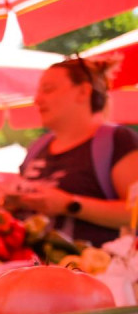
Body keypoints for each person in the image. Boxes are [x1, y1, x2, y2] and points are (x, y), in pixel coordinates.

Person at [8, 56, 138, 247]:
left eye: (48, 89)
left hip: (90, 270)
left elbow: (134, 211)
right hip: (28, 268)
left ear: (83, 91)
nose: (37, 99)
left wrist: (69, 204)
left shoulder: (116, 141)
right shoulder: (37, 147)